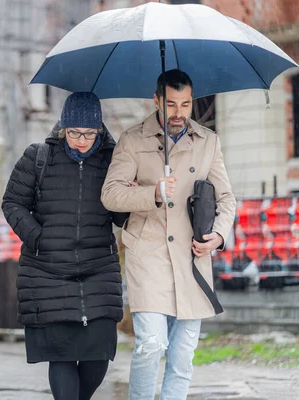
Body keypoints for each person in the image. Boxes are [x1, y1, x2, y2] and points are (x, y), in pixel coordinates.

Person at [101, 69, 236, 400]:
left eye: (186, 104)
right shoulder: (133, 140)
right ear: (157, 101)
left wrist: (217, 236)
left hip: (192, 258)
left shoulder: (208, 141)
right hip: (148, 254)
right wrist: (153, 194)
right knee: (152, 343)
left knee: (182, 355)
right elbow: (110, 194)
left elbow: (226, 199)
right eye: (172, 104)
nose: (179, 113)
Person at [2, 92, 129, 400]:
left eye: (88, 133)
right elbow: (12, 203)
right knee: (60, 356)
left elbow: (121, 217)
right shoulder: (38, 157)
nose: (80, 140)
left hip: (98, 269)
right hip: (48, 272)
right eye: (73, 132)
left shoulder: (114, 161)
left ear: (99, 130)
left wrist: (130, 192)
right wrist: (38, 237)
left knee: (98, 358)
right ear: (63, 128)